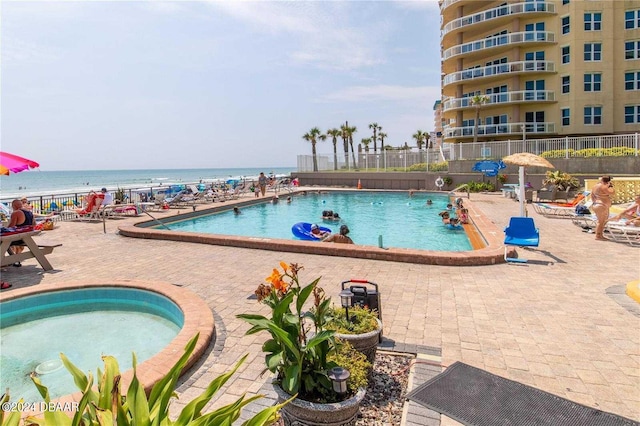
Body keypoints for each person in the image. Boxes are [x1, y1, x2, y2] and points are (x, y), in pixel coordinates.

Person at [7, 199, 35, 266]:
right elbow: (34, 224)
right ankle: (15, 260)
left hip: (18, 239)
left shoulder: (16, 213)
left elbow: (11, 227)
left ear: (14, 206)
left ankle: (5, 261)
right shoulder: (30, 213)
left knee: (3, 242)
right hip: (26, 237)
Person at [591, 175, 615, 240]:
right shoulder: (604, 187)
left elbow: (592, 195)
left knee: (603, 221)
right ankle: (598, 236)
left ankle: (600, 235)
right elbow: (612, 192)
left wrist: (595, 201)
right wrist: (610, 186)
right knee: (601, 221)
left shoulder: (595, 186)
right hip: (601, 205)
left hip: (597, 204)